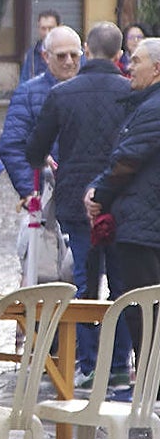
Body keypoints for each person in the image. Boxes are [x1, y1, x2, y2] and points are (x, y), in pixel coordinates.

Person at [25, 22, 131, 388]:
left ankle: (87, 364)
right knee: (122, 284)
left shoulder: (62, 94)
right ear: (118, 54)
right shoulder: (131, 91)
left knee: (85, 282)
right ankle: (118, 365)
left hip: (74, 199)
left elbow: (34, 149)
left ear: (86, 49)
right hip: (119, 200)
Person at [86, 37, 160, 359]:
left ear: (157, 69)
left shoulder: (154, 107)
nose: (128, 67)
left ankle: (150, 388)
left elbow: (127, 160)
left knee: (144, 312)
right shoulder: (146, 104)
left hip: (144, 227)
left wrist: (98, 196)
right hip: (146, 222)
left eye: (136, 61)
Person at [0, 25, 83, 202]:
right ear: (46, 56)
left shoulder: (91, 90)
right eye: (61, 56)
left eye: (74, 55)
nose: (69, 61)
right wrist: (30, 190)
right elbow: (13, 145)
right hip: (47, 194)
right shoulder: (27, 93)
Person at [19, 9, 61, 84]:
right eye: (43, 28)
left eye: (51, 28)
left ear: (59, 27)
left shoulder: (71, 52)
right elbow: (24, 83)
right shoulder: (32, 54)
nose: (47, 33)